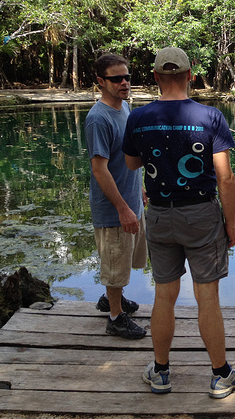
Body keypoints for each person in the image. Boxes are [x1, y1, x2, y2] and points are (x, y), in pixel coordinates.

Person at [122, 47, 235, 398]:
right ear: (190, 75)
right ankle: (221, 375)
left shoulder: (138, 117)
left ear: (155, 77)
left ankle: (161, 372)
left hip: (160, 215)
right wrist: (231, 223)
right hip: (201, 215)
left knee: (164, 295)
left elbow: (132, 165)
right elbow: (225, 178)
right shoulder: (210, 116)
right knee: (207, 297)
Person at [85, 53, 147, 340]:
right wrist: (122, 208)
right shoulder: (98, 118)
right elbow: (100, 170)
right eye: (116, 78)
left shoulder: (125, 109)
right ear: (101, 82)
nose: (124, 83)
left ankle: (112, 300)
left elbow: (126, 159)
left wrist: (140, 190)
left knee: (123, 262)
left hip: (132, 199)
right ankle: (114, 317)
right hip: (113, 209)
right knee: (115, 264)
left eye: (127, 77)